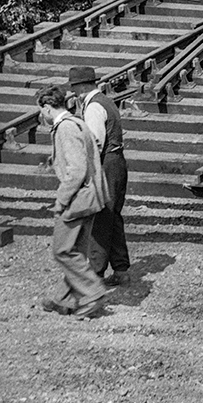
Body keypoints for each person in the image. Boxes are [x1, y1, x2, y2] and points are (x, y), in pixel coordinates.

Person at [36, 84, 110, 319]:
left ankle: (93, 292)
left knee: (62, 250)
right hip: (91, 197)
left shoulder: (65, 129)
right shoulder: (77, 123)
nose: (42, 116)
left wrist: (61, 200)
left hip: (78, 199)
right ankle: (65, 299)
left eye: (41, 111)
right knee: (76, 249)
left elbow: (76, 171)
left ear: (47, 108)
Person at [67, 64, 131, 287]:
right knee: (112, 217)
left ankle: (95, 273)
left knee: (101, 217)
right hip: (116, 163)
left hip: (106, 164)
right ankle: (121, 269)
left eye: (74, 88)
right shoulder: (105, 101)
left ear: (82, 87)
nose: (74, 93)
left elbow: (94, 142)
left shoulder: (94, 107)